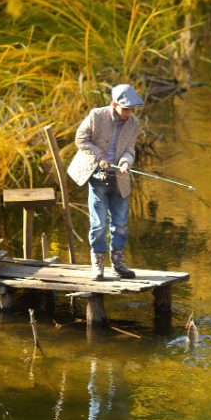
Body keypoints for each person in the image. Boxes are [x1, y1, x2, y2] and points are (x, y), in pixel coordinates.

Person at [67, 84, 143, 280]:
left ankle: (118, 263)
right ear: (114, 104)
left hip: (120, 178)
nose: (129, 113)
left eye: (132, 109)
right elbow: (80, 139)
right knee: (99, 223)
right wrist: (100, 156)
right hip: (97, 175)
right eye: (126, 109)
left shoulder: (134, 123)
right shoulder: (96, 116)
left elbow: (130, 149)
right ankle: (98, 264)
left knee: (120, 224)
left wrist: (126, 161)